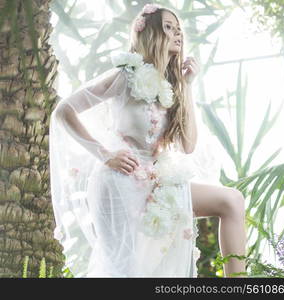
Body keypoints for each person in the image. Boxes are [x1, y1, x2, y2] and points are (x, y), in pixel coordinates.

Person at [49, 3, 247, 278]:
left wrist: (187, 86)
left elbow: (188, 146)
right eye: (169, 27)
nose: (177, 34)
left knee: (231, 200)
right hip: (120, 181)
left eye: (179, 29)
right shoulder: (125, 76)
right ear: (150, 33)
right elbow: (64, 111)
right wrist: (105, 154)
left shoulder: (174, 86)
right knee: (128, 270)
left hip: (159, 177)